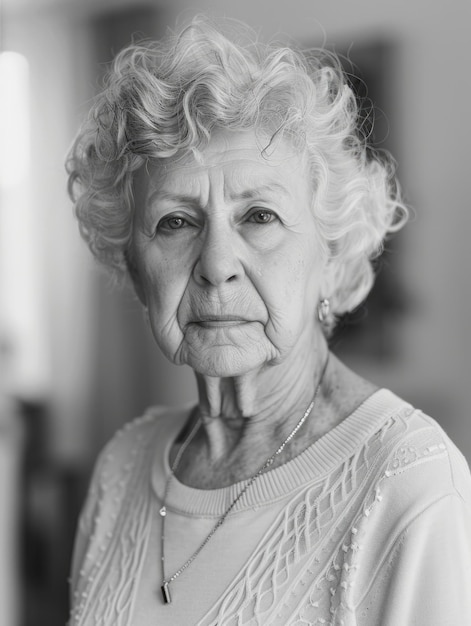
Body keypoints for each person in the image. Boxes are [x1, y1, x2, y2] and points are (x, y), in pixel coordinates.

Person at [66, 16, 471, 626]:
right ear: (132, 264)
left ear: (332, 259)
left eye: (259, 216)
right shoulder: (123, 464)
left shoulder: (409, 481)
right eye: (176, 221)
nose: (217, 264)